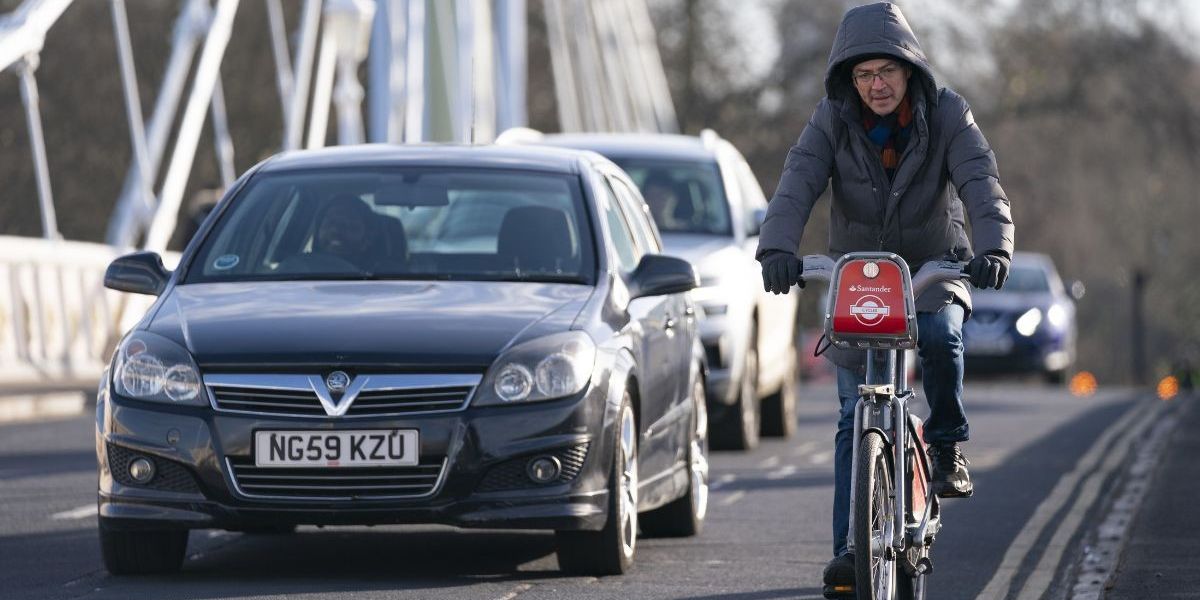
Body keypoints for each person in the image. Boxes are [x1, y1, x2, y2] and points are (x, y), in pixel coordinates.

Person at [753, 3, 1015, 594]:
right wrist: (777, 248)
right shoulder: (831, 119)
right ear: (849, 79)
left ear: (909, 69)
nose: (875, 85)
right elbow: (797, 180)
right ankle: (850, 551)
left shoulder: (948, 113)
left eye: (886, 73)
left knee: (944, 337)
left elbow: (980, 179)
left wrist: (993, 246)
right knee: (853, 413)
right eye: (863, 75)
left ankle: (946, 445)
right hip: (860, 277)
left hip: (933, 264)